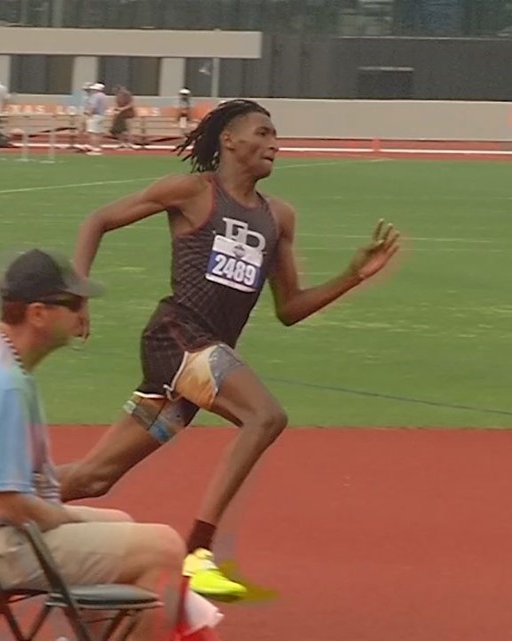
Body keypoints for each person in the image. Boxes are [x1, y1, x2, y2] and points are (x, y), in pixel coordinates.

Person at [56, 99, 403, 600]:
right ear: (230, 141)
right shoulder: (193, 192)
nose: (274, 144)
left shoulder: (277, 217)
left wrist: (352, 276)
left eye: (276, 136)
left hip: (197, 365)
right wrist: (78, 293)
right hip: (176, 339)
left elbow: (289, 307)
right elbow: (98, 220)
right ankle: (199, 553)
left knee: (95, 477)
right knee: (265, 416)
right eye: (262, 133)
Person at [0, 248, 187, 641]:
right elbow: (6, 503)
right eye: (73, 305)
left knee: (122, 525)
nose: (83, 315)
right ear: (38, 314)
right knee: (164, 548)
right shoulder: (3, 385)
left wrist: (60, 515)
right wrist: (61, 518)